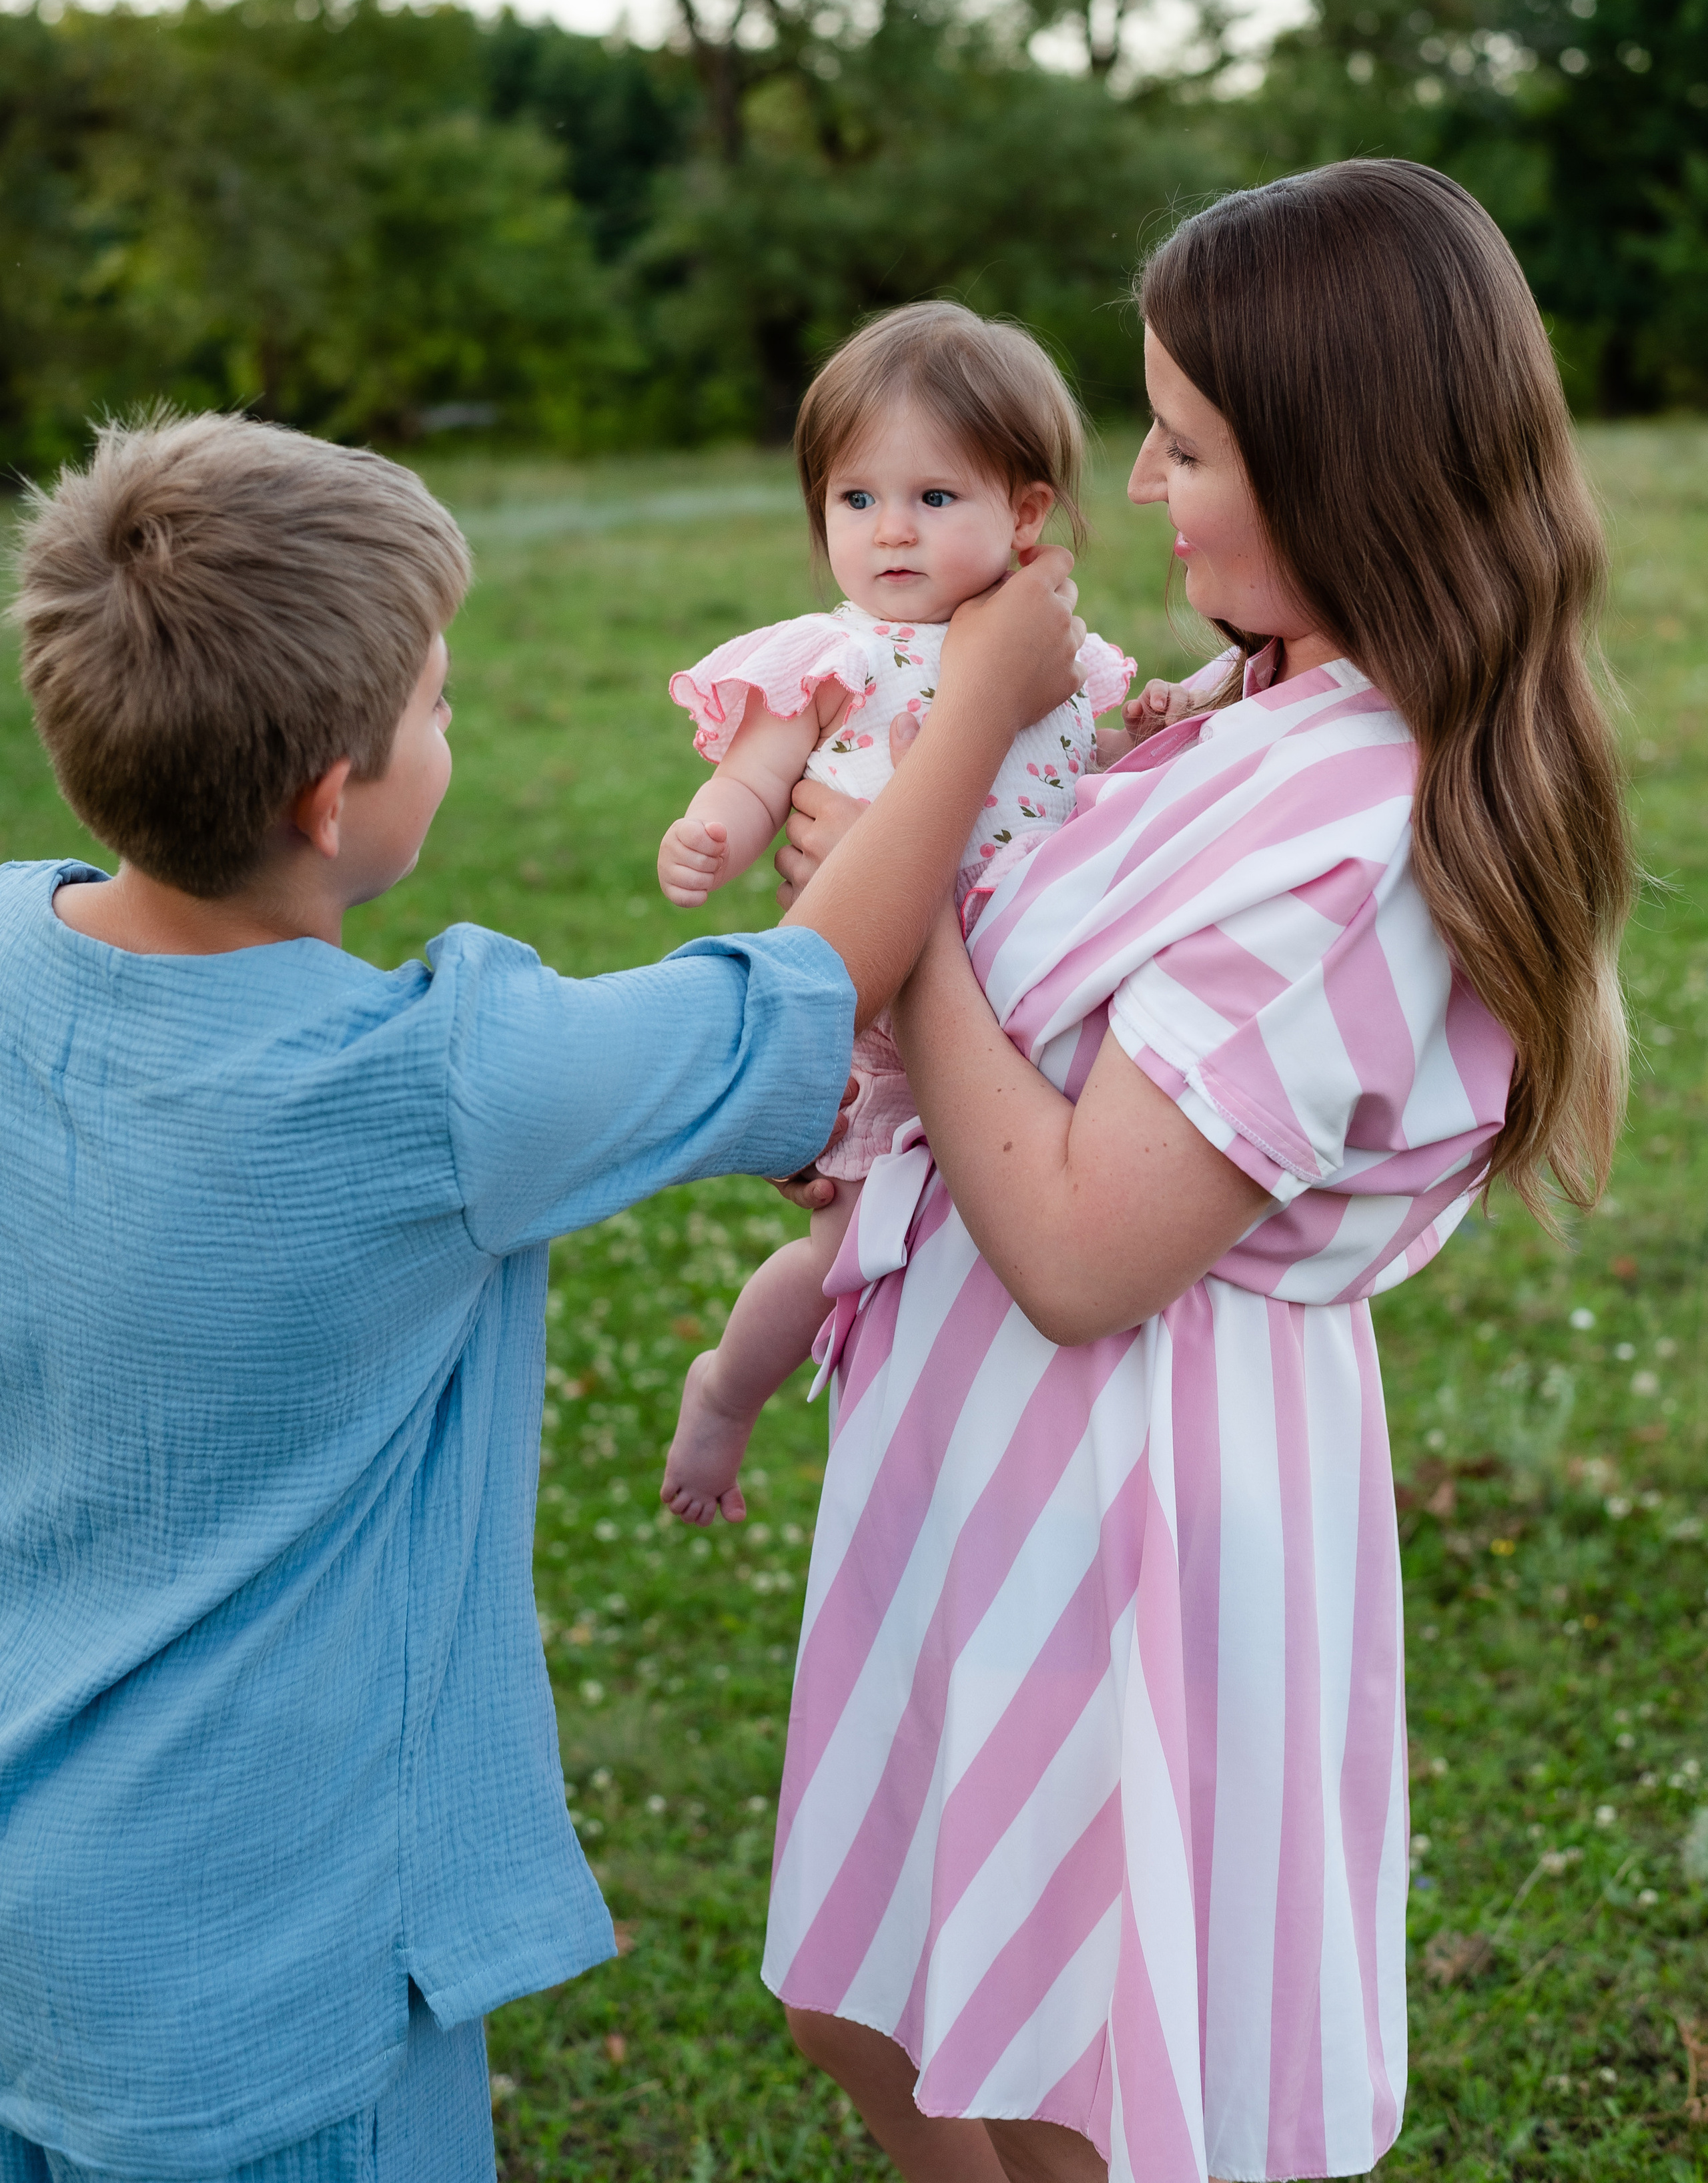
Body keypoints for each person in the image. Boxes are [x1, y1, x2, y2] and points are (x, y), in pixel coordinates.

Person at [0, 410, 1082, 2183]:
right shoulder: (440, 1087)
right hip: (286, 1979)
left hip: (33, 1919)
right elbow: (807, 986)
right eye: (437, 704)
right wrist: (981, 704)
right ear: (331, 798)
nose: (454, 725)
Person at [761, 162, 1633, 2183]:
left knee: (1060, 2073)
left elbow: (1083, 1252)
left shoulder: (1363, 840)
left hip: (1125, 1489)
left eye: (1187, 441)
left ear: (1344, 472)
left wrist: (907, 908)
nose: (1140, 483)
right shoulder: (1261, 696)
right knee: (876, 2009)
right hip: (988, 1450)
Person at [657, 301, 1178, 1525]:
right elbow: (759, 777)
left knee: (994, 1217)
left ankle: (986, 1432)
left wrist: (1140, 736)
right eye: (857, 499)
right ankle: (727, 1388)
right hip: (878, 1008)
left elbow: (1077, 769)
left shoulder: (1058, 654)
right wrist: (715, 830)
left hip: (1016, 1004)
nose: (890, 529)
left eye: (934, 497)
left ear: (1026, 512)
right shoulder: (835, 656)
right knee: (845, 1247)